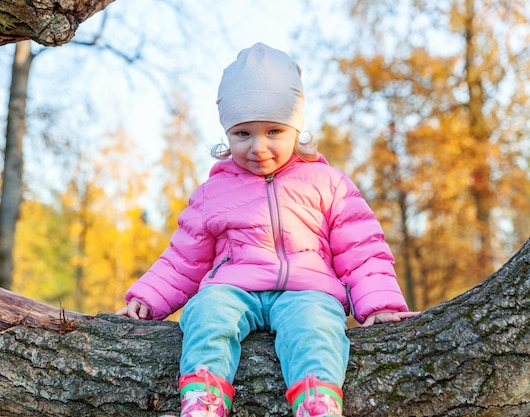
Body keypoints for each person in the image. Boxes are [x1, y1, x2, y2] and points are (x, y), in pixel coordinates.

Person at [117, 42, 418, 417]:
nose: (258, 147)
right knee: (206, 313)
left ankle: (318, 402)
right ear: (227, 135)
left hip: (307, 289)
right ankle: (203, 401)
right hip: (234, 287)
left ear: (296, 129)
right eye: (243, 134)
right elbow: (183, 256)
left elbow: (361, 248)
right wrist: (149, 296)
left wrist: (381, 302)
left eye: (273, 131)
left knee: (316, 327)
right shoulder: (214, 192)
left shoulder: (328, 183)